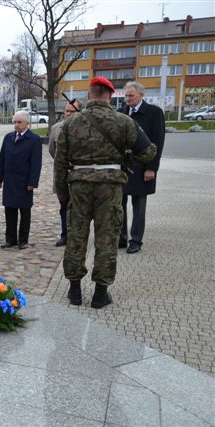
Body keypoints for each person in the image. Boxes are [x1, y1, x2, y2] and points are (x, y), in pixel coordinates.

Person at [54, 77, 156, 309]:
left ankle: (75, 291)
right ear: (110, 97)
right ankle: (100, 294)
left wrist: (62, 194)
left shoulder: (71, 123)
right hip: (109, 188)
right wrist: (125, 159)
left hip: (79, 186)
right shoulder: (124, 121)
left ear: (89, 96)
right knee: (107, 238)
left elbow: (60, 162)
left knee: (76, 237)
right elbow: (148, 151)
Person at [118, 81, 165, 254]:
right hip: (123, 167)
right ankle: (121, 238)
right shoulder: (121, 113)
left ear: (141, 95)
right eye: (126, 96)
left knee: (139, 206)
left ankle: (136, 240)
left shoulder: (154, 113)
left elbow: (157, 142)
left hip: (143, 167)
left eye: (131, 96)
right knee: (119, 204)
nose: (127, 99)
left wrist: (152, 168)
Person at [0, 111, 42, 250]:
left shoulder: (34, 139)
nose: (16, 125)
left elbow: (36, 163)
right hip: (10, 180)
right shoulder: (8, 137)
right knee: (9, 210)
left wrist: (33, 182)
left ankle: (23, 240)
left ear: (27, 123)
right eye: (14, 122)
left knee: (25, 211)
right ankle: (10, 239)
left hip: (24, 181)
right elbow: (2, 157)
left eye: (19, 122)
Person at [48, 99, 84, 246]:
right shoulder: (56, 128)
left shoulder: (85, 128)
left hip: (80, 175)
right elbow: (52, 150)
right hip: (63, 175)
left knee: (80, 208)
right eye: (66, 111)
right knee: (64, 207)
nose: (68, 114)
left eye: (72, 111)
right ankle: (65, 235)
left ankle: (78, 236)